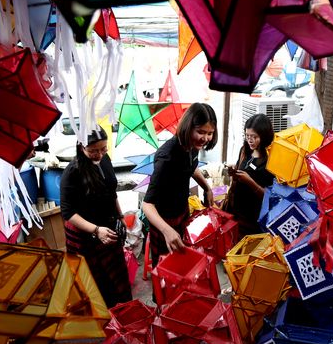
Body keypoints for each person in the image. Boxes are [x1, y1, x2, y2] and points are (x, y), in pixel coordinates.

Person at [60, 128, 132, 307]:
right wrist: (96, 230)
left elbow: (111, 192)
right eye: (93, 151)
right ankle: (105, 316)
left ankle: (122, 311)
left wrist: (120, 216)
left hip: (108, 226)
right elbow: (68, 212)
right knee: (97, 283)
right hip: (86, 235)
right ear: (81, 147)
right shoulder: (72, 172)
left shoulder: (105, 160)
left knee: (118, 279)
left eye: (103, 149)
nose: (99, 154)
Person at [142, 103, 217, 266]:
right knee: (165, 269)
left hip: (181, 212)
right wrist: (167, 231)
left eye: (210, 133)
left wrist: (207, 188)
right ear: (188, 127)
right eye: (201, 132)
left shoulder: (192, 146)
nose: (205, 138)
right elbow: (147, 205)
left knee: (182, 264)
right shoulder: (167, 158)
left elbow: (191, 167)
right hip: (163, 221)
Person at [224, 113, 275, 236]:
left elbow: (271, 197)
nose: (250, 140)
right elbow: (239, 168)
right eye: (247, 135)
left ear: (264, 136)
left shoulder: (272, 160)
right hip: (236, 212)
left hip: (254, 219)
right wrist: (234, 172)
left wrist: (249, 181)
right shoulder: (244, 150)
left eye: (254, 136)